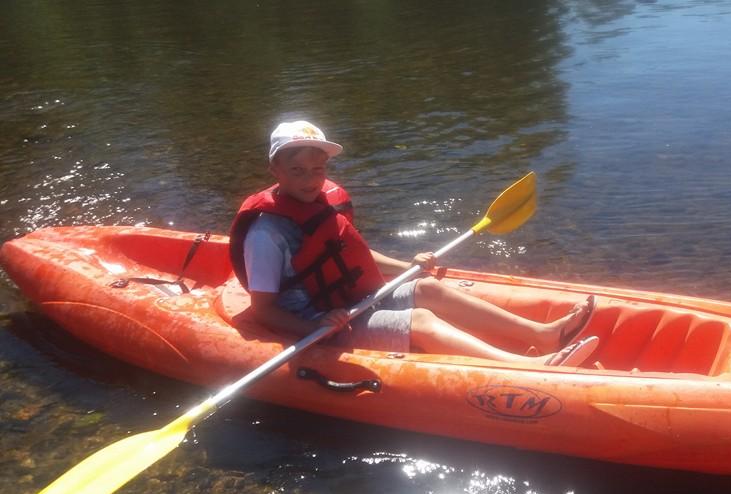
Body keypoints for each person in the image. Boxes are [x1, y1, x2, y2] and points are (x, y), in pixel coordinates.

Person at [229, 120, 598, 366]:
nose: (310, 180)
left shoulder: (322, 201)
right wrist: (317, 325)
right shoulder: (267, 233)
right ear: (275, 170)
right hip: (320, 321)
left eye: (318, 169)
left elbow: (344, 253)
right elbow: (264, 311)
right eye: (297, 171)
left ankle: (543, 335)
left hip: (351, 300)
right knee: (421, 319)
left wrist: (406, 267)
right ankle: (528, 366)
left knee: (428, 289)